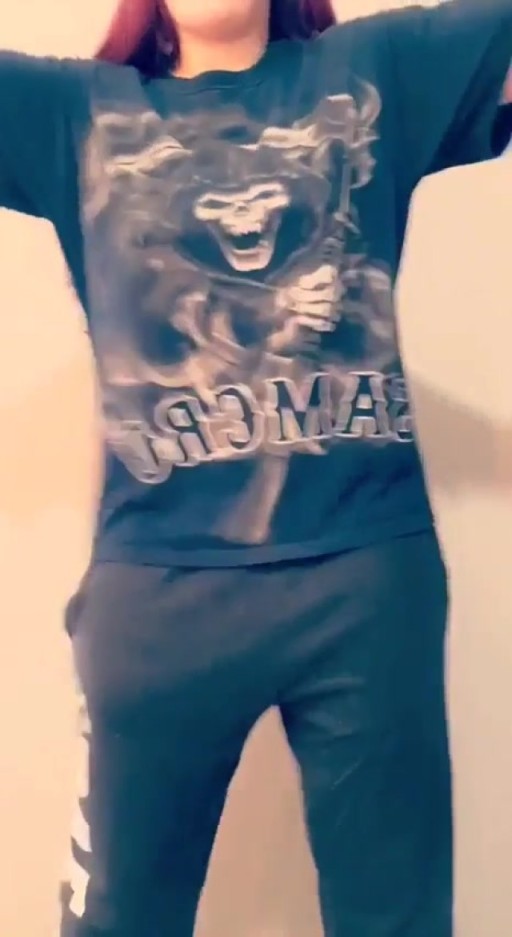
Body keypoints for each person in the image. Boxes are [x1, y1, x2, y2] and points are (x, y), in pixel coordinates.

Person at [1, 1, 512, 935]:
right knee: (117, 918)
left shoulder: (373, 72)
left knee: (398, 921)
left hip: (365, 582)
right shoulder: (77, 112)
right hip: (157, 599)